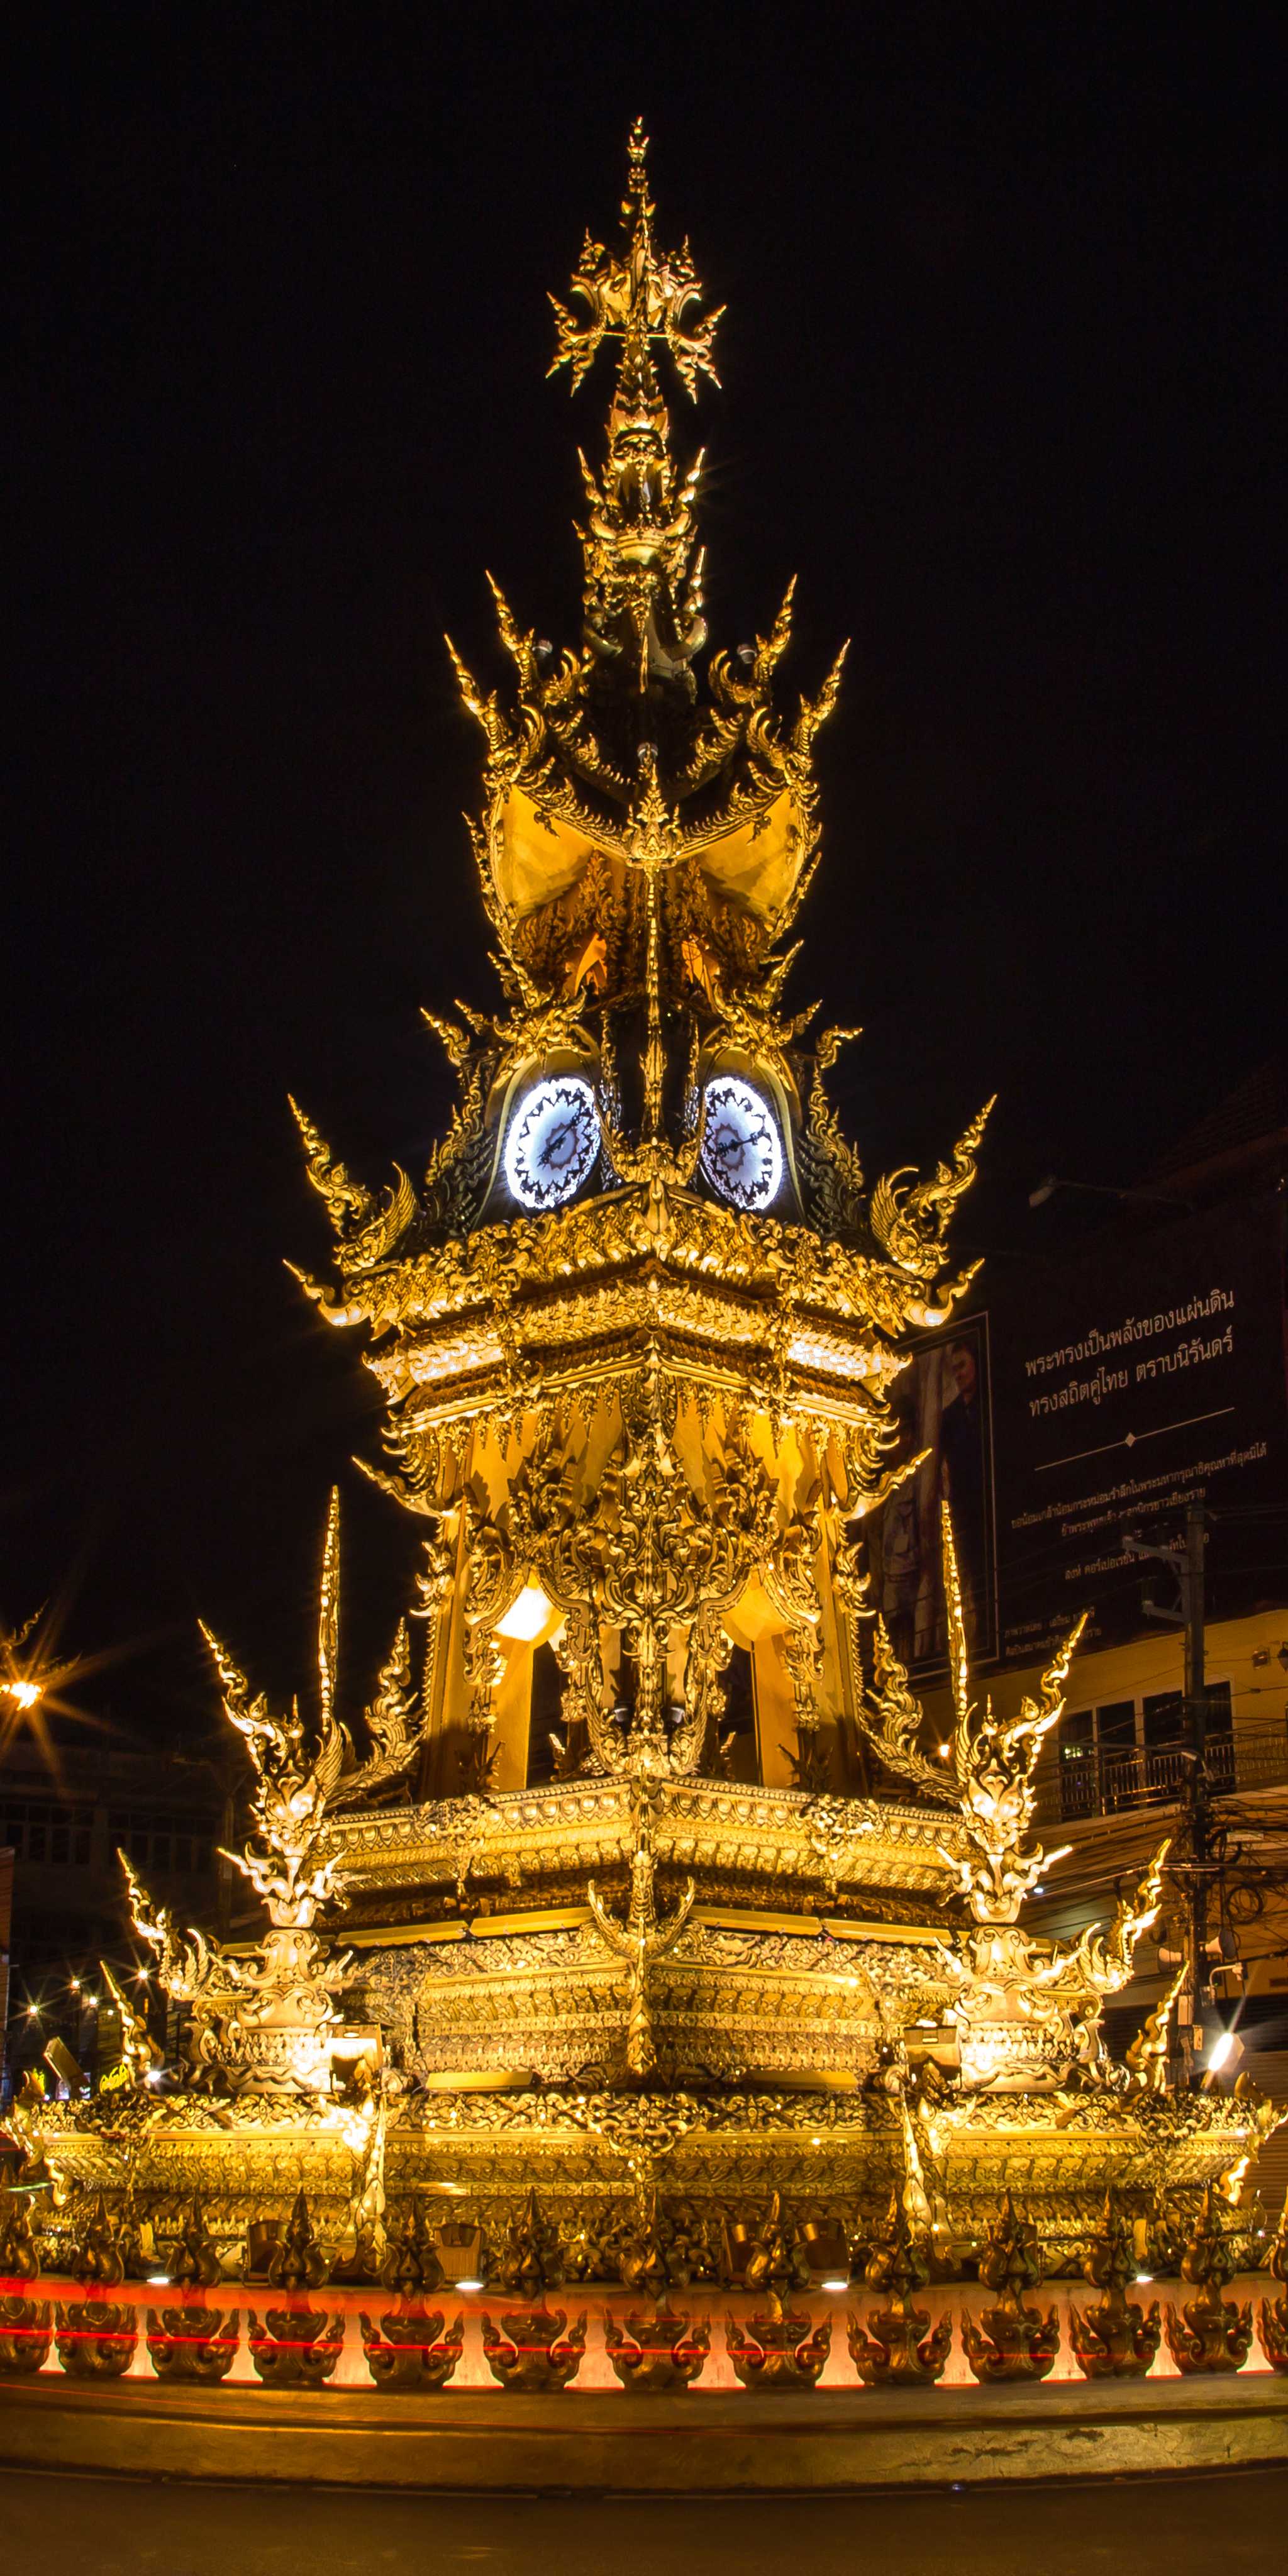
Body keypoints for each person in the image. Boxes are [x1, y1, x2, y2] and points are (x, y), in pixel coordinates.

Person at [937, 1338, 987, 1645]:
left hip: (990, 1500)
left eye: (963, 1366)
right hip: (964, 1508)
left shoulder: (990, 1402)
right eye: (954, 1369)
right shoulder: (950, 1416)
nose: (959, 1374)